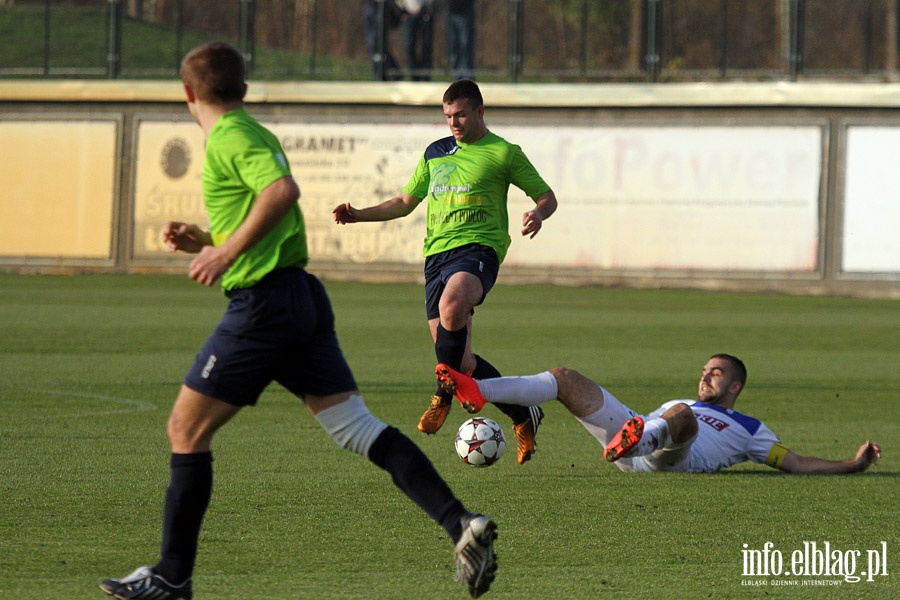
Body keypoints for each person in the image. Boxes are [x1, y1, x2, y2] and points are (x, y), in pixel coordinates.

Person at [99, 42, 497, 600]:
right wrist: (209, 240)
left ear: (189, 94)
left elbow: (283, 194)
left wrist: (222, 253)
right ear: (242, 87)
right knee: (357, 428)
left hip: (263, 306)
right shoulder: (253, 132)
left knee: (185, 431)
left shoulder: (229, 138)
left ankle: (172, 575)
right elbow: (272, 219)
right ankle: (461, 525)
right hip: (299, 300)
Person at [333, 79, 558, 465]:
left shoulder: (504, 153)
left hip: (479, 250)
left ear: (480, 112)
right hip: (435, 257)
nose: (453, 122)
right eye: (448, 116)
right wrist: (359, 215)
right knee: (463, 361)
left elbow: (546, 196)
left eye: (461, 114)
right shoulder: (436, 153)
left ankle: (442, 395)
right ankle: (523, 413)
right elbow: (405, 202)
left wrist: (538, 213)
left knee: (454, 307)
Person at [435, 354, 882, 474]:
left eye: (717, 373)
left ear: (736, 386)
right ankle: (477, 387)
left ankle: (640, 438)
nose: (707, 376)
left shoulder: (750, 430)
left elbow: (796, 462)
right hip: (633, 440)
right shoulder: (682, 399)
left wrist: (853, 464)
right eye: (705, 370)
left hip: (675, 460)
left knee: (682, 416)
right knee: (565, 377)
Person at [363, 0, 402, 81]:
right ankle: (383, 73)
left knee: (378, 43)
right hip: (369, 5)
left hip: (381, 6)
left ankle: (389, 71)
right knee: (372, 44)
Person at [398, 0, 435, 81]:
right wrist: (401, 10)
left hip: (425, 12)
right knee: (408, 47)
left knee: (426, 47)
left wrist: (428, 7)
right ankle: (415, 76)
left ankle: (425, 77)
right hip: (408, 14)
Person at [444, 0, 476, 79]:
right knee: (453, 46)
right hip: (449, 11)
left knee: (465, 45)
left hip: (464, 12)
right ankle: (457, 75)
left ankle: (467, 75)